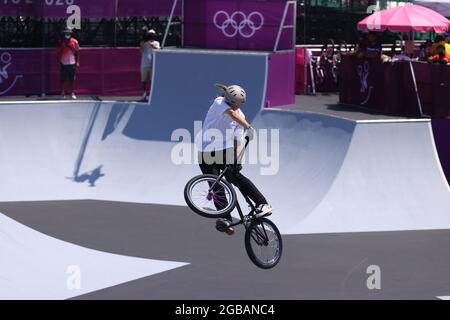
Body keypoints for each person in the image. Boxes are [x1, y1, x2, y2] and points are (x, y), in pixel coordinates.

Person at [197, 84, 273, 235]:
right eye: (234, 102)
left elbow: (237, 142)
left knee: (234, 175)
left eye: (239, 103)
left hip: (223, 151)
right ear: (228, 99)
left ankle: (262, 203)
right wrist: (248, 127)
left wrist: (237, 160)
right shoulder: (219, 103)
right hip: (205, 152)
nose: (236, 105)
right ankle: (226, 219)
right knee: (215, 185)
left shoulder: (240, 116)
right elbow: (231, 113)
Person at [57, 27, 80, 99]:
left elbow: (77, 52)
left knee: (72, 79)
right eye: (66, 33)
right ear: (64, 34)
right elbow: (58, 52)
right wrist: (59, 61)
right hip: (63, 63)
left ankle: (72, 93)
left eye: (69, 33)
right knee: (62, 79)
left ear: (71, 34)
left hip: (72, 63)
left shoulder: (75, 41)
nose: (67, 34)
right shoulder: (60, 41)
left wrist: (77, 61)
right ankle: (62, 93)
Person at [140, 29, 160, 101]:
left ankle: (152, 95)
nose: (150, 36)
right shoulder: (144, 43)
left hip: (152, 65)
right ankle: (143, 95)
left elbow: (158, 49)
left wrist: (150, 44)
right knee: (143, 81)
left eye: (152, 35)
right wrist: (142, 44)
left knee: (152, 81)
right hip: (144, 64)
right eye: (149, 35)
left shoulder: (156, 43)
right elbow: (141, 51)